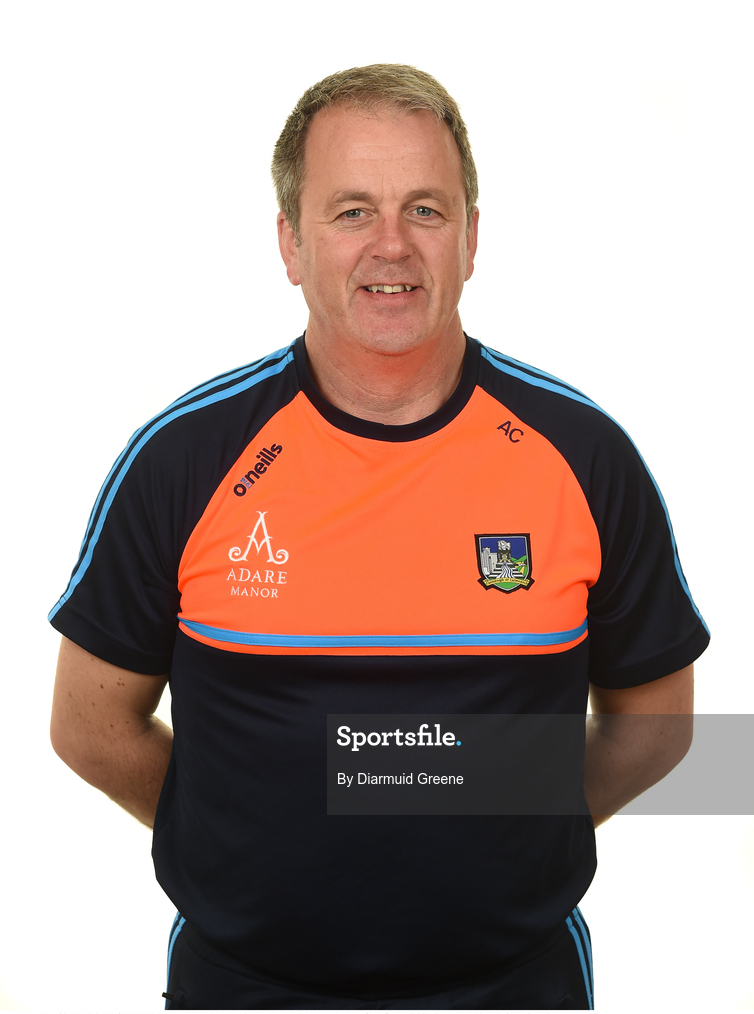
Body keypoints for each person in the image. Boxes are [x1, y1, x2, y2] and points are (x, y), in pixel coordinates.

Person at [48, 64, 709, 1010]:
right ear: (290, 241)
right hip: (243, 988)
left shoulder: (584, 457)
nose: (391, 245)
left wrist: (514, 821)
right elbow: (86, 725)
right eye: (352, 210)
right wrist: (242, 839)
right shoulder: (182, 460)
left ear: (473, 237)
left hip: (515, 987)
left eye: (427, 210)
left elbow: (663, 727)